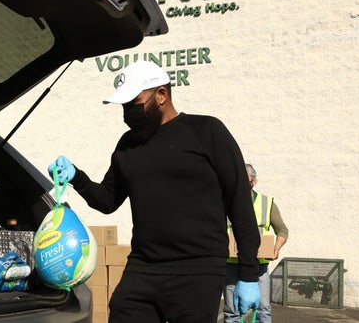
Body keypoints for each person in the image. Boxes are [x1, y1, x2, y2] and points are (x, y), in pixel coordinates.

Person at [48, 60, 261, 323]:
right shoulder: (128, 145)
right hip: (143, 268)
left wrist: (248, 274)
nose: (127, 112)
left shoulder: (206, 131)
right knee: (122, 310)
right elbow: (107, 200)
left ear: (161, 95)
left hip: (197, 271)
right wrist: (77, 177)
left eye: (133, 103)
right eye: (124, 106)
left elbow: (239, 202)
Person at [223, 163, 289, 323]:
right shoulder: (224, 203)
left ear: (253, 181)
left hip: (259, 265)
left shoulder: (267, 203)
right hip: (231, 264)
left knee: (263, 309)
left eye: (244, 179)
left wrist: (276, 248)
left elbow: (282, 230)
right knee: (232, 310)